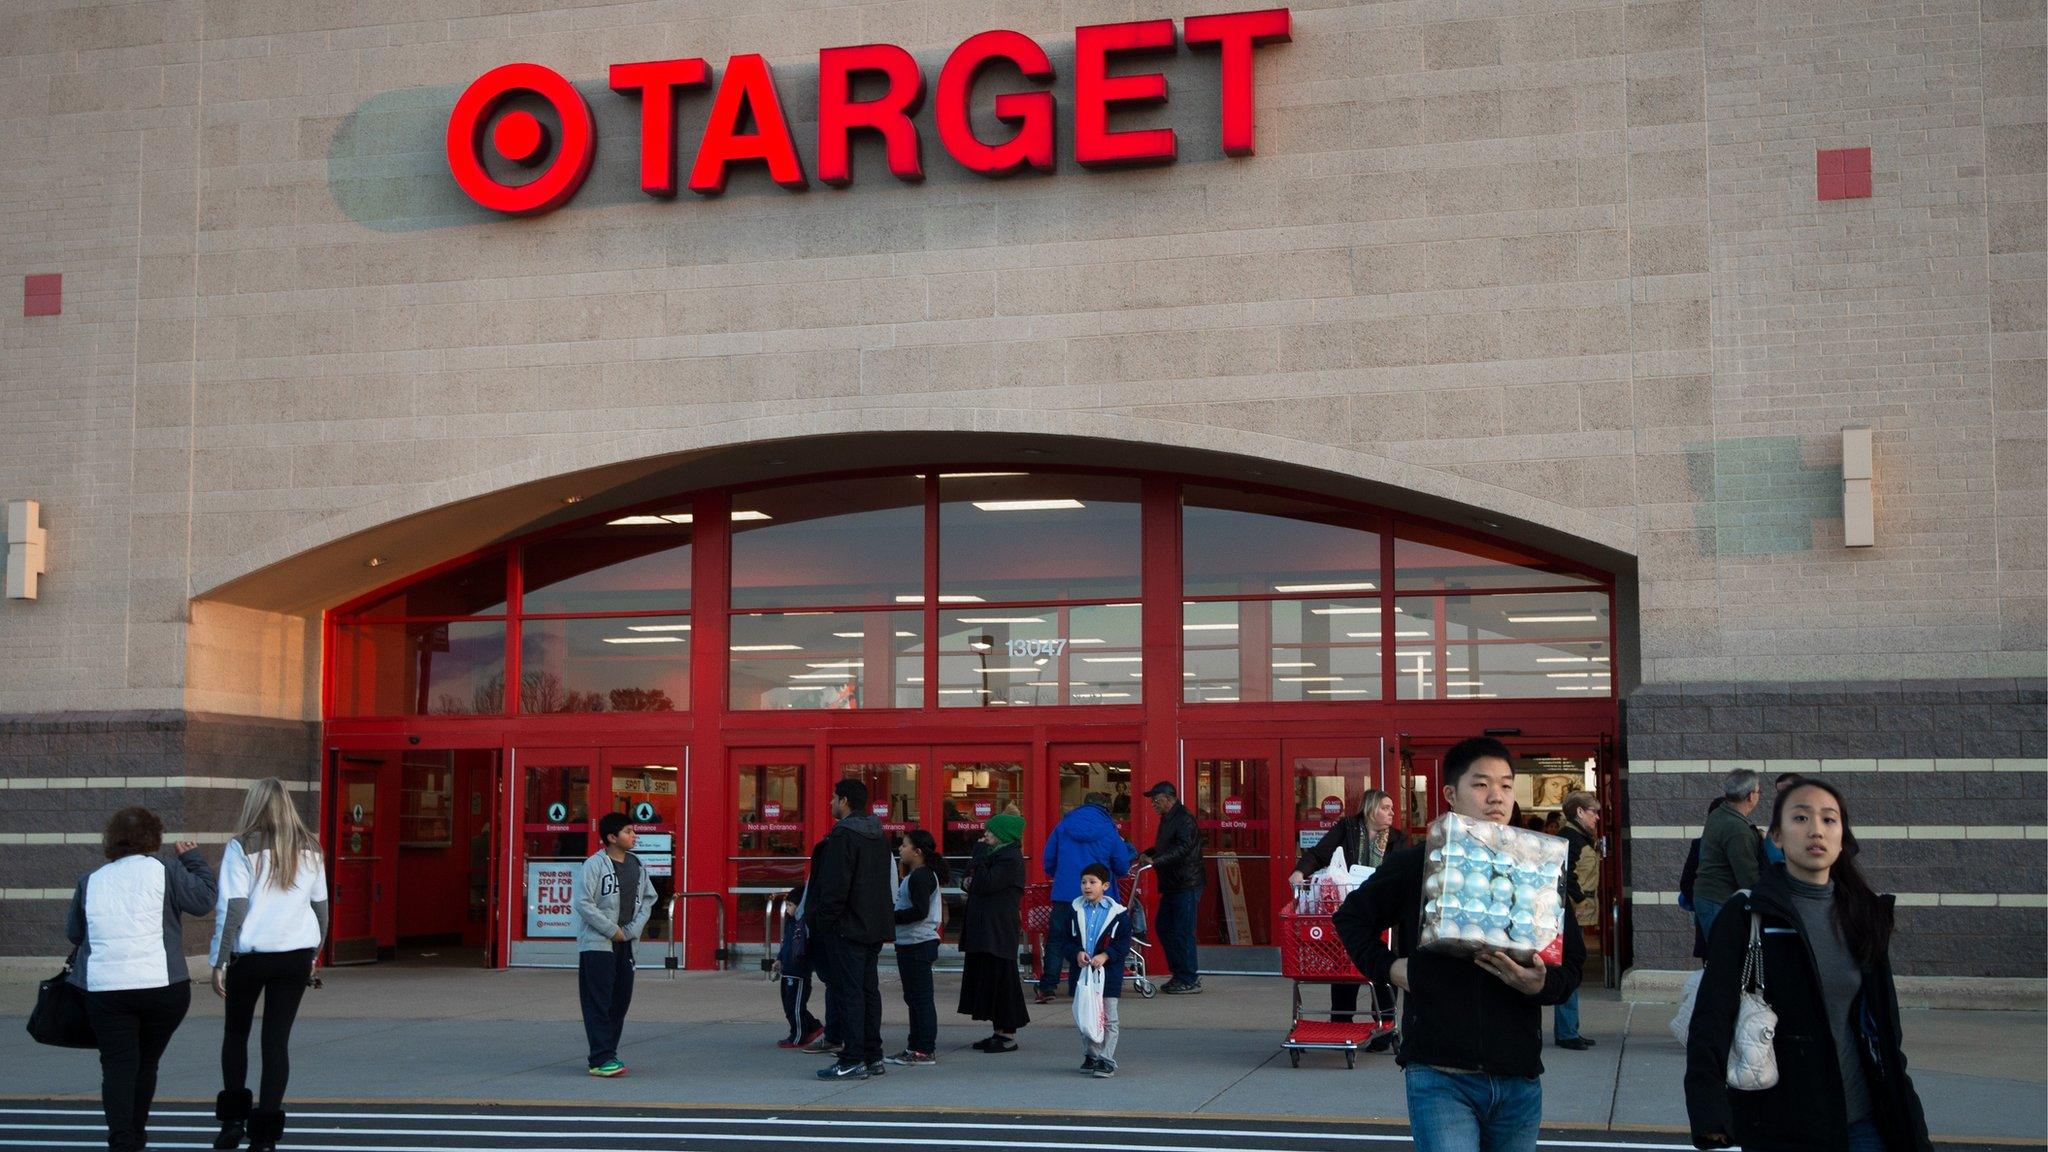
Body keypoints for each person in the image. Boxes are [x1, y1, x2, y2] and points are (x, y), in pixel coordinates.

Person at [1334, 737, 1584, 1152]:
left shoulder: (1537, 869)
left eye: (1506, 785)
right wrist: (1392, 968)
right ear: (1451, 794)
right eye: (1481, 785)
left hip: (1518, 1074)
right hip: (1439, 1072)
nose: (1497, 798)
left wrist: (1540, 985)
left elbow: (1571, 963)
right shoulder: (1419, 863)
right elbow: (1351, 919)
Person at [1685, 779, 1931, 1152]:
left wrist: (1910, 1120)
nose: (1816, 829)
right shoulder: (1749, 913)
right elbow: (1712, 1017)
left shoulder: (1864, 915)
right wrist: (1709, 1111)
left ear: (1843, 837)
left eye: (1829, 820)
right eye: (1800, 818)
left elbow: (1885, 1029)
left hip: (1864, 1119)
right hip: (1783, 1123)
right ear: (1778, 837)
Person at [66, 807, 218, 1152]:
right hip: (162, 987)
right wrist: (194, 860)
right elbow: (204, 900)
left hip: (106, 989)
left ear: (110, 840)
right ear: (154, 838)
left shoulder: (91, 880)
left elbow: (74, 932)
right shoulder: (166, 871)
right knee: (147, 1062)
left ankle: (123, 1140)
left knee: (118, 1066)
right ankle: (137, 1131)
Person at [209, 779, 329, 1152]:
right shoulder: (310, 847)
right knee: (276, 1042)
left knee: (236, 1033)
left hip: (251, 956)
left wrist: (219, 959)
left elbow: (234, 908)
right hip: (295, 955)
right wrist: (314, 954)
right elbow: (321, 909)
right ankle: (265, 1137)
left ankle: (232, 1122)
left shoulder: (241, 846)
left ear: (254, 805)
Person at [1289, 788, 1406, 1050]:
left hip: (1383, 911)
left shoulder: (1397, 839)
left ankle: (1386, 1029)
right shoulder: (1348, 829)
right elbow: (1320, 853)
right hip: (1350, 908)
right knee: (1345, 967)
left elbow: (1401, 870)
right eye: (1385, 807)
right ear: (1371, 808)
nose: (1391, 813)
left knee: (1382, 968)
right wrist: (1300, 872)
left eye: (1391, 808)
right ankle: (1340, 1022)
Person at [808, 778, 895, 1080]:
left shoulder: (843, 836)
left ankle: (852, 1057)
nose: (831, 803)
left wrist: (822, 922)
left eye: (833, 798)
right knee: (868, 991)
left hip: (847, 927)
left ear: (844, 801)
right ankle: (873, 1055)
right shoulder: (878, 836)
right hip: (874, 925)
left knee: (849, 993)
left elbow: (834, 888)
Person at [575, 811, 656, 1078]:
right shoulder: (594, 865)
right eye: (628, 832)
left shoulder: (637, 864)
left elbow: (648, 899)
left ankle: (609, 1051)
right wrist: (612, 930)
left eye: (634, 831)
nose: (634, 836)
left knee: (620, 1000)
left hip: (626, 944)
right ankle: (600, 1058)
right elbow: (583, 903)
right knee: (598, 1000)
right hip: (598, 945)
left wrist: (631, 931)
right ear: (611, 837)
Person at [1036, 791, 1135, 1004]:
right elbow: (1121, 865)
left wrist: (1060, 876)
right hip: (1099, 897)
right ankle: (1100, 983)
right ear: (1105, 808)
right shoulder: (1109, 829)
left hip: (1065, 893)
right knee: (1100, 940)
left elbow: (1049, 859)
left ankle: (1048, 987)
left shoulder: (1063, 826)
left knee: (1056, 939)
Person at [1050, 863, 1135, 1078]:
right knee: (1086, 1015)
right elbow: (1065, 940)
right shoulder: (1074, 910)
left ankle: (1106, 1059)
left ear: (1105, 885)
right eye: (1084, 882)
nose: (1087, 886)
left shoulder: (1118, 914)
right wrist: (1076, 953)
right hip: (1083, 973)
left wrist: (1106, 955)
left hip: (1109, 974)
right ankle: (1091, 1055)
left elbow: (1124, 943)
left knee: (1108, 1018)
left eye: (1092, 882)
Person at [957, 811, 1030, 1051]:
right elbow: (967, 880)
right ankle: (998, 1031)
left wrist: (976, 868)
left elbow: (982, 883)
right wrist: (973, 875)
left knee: (1003, 979)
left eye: (990, 831)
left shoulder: (1010, 858)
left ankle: (1007, 1033)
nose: (985, 835)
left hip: (997, 928)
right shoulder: (993, 855)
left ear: (1002, 835)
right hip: (984, 926)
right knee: (989, 978)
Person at [885, 829, 948, 1066]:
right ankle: (915, 1045)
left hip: (918, 942)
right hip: (911, 942)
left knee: (920, 998)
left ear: (918, 851)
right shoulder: (917, 875)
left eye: (904, 845)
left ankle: (924, 1049)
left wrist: (890, 917)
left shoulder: (921, 876)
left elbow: (920, 912)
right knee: (914, 997)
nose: (900, 849)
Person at [1136, 781, 1204, 994]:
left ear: (1169, 798)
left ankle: (1189, 978)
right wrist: (1149, 853)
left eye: (1156, 800)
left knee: (1182, 931)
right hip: (1173, 884)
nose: (1153, 804)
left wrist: (1155, 861)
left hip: (1186, 883)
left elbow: (1183, 848)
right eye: (1152, 801)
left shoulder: (1184, 819)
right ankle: (1179, 973)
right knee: (1164, 927)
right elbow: (1165, 847)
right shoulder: (1167, 819)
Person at [1553, 790, 1601, 1051]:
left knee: (1572, 967)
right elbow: (1565, 875)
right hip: (1570, 912)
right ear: (1579, 812)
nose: (1596, 817)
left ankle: (1570, 1029)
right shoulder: (1571, 838)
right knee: (1570, 967)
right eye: (1593, 811)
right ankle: (1567, 1031)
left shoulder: (1579, 837)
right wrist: (1580, 900)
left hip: (1577, 911)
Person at [1693, 769, 1762, 939]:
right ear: (1750, 796)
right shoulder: (1737, 829)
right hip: (1719, 900)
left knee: (1719, 954)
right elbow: (1748, 877)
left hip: (1708, 896)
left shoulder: (1719, 813)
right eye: (1759, 791)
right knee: (1726, 956)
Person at [774, 883, 824, 1050]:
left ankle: (798, 1036)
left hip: (799, 973)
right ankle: (813, 1026)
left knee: (795, 1007)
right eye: (786, 905)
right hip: (787, 971)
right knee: (789, 1006)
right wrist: (779, 959)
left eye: (790, 905)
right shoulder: (791, 924)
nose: (787, 908)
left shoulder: (804, 924)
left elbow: (805, 948)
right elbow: (786, 945)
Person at [1677, 798, 1725, 960]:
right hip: (1712, 911)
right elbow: (1687, 881)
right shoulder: (1700, 844)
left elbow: (1686, 882)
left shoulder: (1743, 840)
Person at [1759, 773, 1802, 866]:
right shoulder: (1780, 814)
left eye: (1786, 790)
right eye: (1779, 792)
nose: (1782, 796)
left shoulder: (1805, 818)